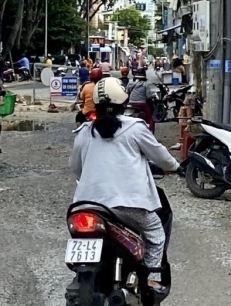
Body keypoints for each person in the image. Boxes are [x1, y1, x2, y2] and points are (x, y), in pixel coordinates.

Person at [70, 78, 179, 294]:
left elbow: (76, 168)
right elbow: (162, 157)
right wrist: (175, 166)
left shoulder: (85, 131)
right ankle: (152, 280)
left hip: (87, 204)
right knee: (156, 233)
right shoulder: (135, 128)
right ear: (124, 102)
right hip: (129, 204)